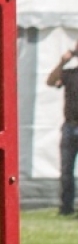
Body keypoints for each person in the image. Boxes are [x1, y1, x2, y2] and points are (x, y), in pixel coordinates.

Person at [49, 43, 78, 216]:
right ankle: (66, 207)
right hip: (70, 125)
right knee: (66, 170)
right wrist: (62, 62)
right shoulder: (70, 74)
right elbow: (51, 81)